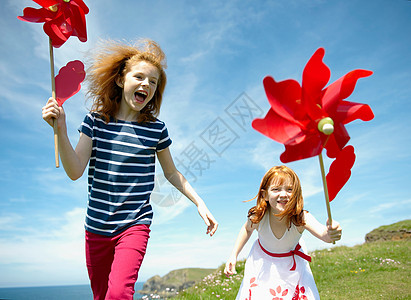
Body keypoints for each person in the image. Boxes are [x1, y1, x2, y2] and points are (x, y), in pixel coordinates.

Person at [42, 39, 218, 300]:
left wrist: (199, 203)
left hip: (134, 224)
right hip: (96, 227)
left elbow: (171, 172)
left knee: (118, 293)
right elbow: (75, 169)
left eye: (153, 82)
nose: (146, 84)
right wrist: (61, 129)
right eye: (139, 76)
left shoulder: (156, 129)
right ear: (121, 80)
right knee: (101, 295)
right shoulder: (95, 122)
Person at [224, 165, 342, 299]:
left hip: (292, 266)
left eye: (290, 189)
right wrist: (233, 255)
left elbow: (324, 234)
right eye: (276, 189)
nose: (283, 194)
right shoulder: (259, 217)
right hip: (262, 263)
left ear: (296, 193)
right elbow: (247, 229)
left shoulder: (301, 218)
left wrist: (332, 233)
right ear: (265, 195)